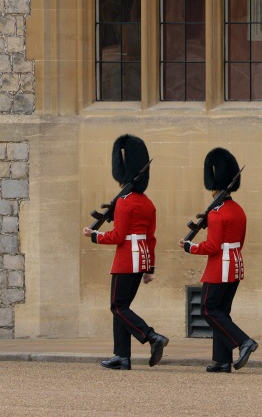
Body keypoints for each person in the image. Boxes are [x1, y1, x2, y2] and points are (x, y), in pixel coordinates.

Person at [82, 134, 168, 370]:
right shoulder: (147, 202)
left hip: (126, 258)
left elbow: (119, 236)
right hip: (141, 258)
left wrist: (95, 235)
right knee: (122, 308)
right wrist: (150, 269)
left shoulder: (125, 202)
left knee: (117, 307)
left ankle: (151, 336)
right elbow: (151, 238)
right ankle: (122, 356)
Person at [179, 148, 257, 373]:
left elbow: (212, 246)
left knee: (208, 309)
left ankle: (243, 341)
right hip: (235, 264)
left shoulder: (216, 213)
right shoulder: (238, 210)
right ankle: (222, 360)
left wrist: (190, 246)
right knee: (222, 311)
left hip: (219, 266)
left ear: (213, 185)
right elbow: (240, 241)